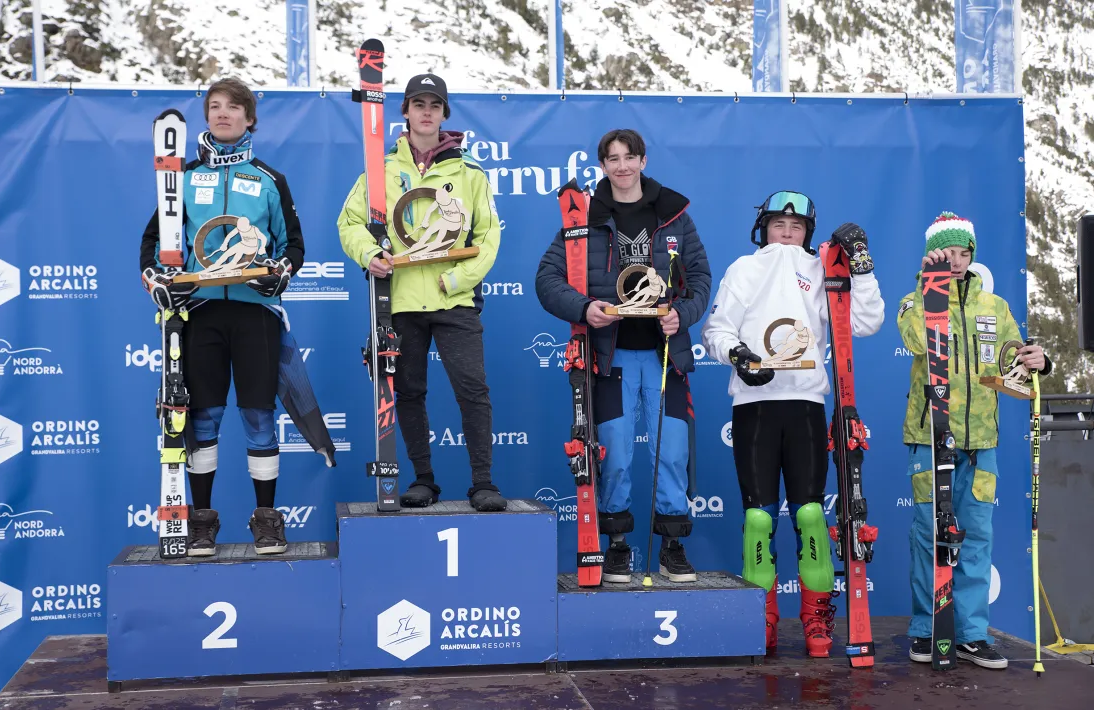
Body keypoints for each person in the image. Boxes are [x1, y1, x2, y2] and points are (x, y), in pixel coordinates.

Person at [141, 78, 333, 556]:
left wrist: (282, 274)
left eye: (233, 107)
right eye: (213, 107)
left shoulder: (269, 178)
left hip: (255, 314)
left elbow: (294, 245)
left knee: (258, 414)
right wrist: (155, 277)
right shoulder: (181, 177)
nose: (222, 114)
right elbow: (154, 243)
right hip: (199, 313)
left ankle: (266, 520)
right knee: (202, 417)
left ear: (250, 118)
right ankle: (201, 522)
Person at [702, 191, 885, 656]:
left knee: (809, 515)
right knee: (759, 519)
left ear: (808, 231)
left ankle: (817, 618)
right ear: (763, 227)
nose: (787, 233)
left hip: (805, 402)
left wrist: (860, 269)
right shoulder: (743, 269)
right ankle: (761, 615)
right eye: (779, 224)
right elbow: (716, 331)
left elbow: (864, 322)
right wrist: (739, 355)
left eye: (797, 226)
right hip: (755, 405)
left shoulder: (821, 267)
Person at [536, 128, 711, 583]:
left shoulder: (674, 215)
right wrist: (583, 307)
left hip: (663, 352)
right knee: (612, 455)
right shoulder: (582, 218)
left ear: (643, 160)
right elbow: (547, 279)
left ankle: (672, 544)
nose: (621, 166)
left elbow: (701, 279)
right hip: (609, 356)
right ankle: (615, 545)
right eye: (612, 159)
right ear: (603, 166)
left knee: (671, 452)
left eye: (629, 157)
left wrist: (682, 314)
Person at [338, 73, 506, 512]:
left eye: (434, 104)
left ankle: (483, 483)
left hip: (454, 299)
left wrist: (456, 281)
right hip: (401, 300)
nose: (426, 112)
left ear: (444, 113)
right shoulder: (382, 171)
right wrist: (369, 254)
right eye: (418, 103)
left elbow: (488, 238)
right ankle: (423, 481)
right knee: (408, 391)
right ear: (406, 111)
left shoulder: (469, 174)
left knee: (473, 389)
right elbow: (349, 223)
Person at [898, 211, 1051, 670]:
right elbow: (915, 341)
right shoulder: (915, 301)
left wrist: (1037, 362)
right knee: (929, 535)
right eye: (948, 255)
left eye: (964, 253)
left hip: (981, 440)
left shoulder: (996, 308)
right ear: (932, 258)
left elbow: (1011, 373)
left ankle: (971, 634)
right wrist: (932, 288)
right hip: (930, 437)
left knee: (978, 537)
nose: (958, 262)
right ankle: (928, 628)